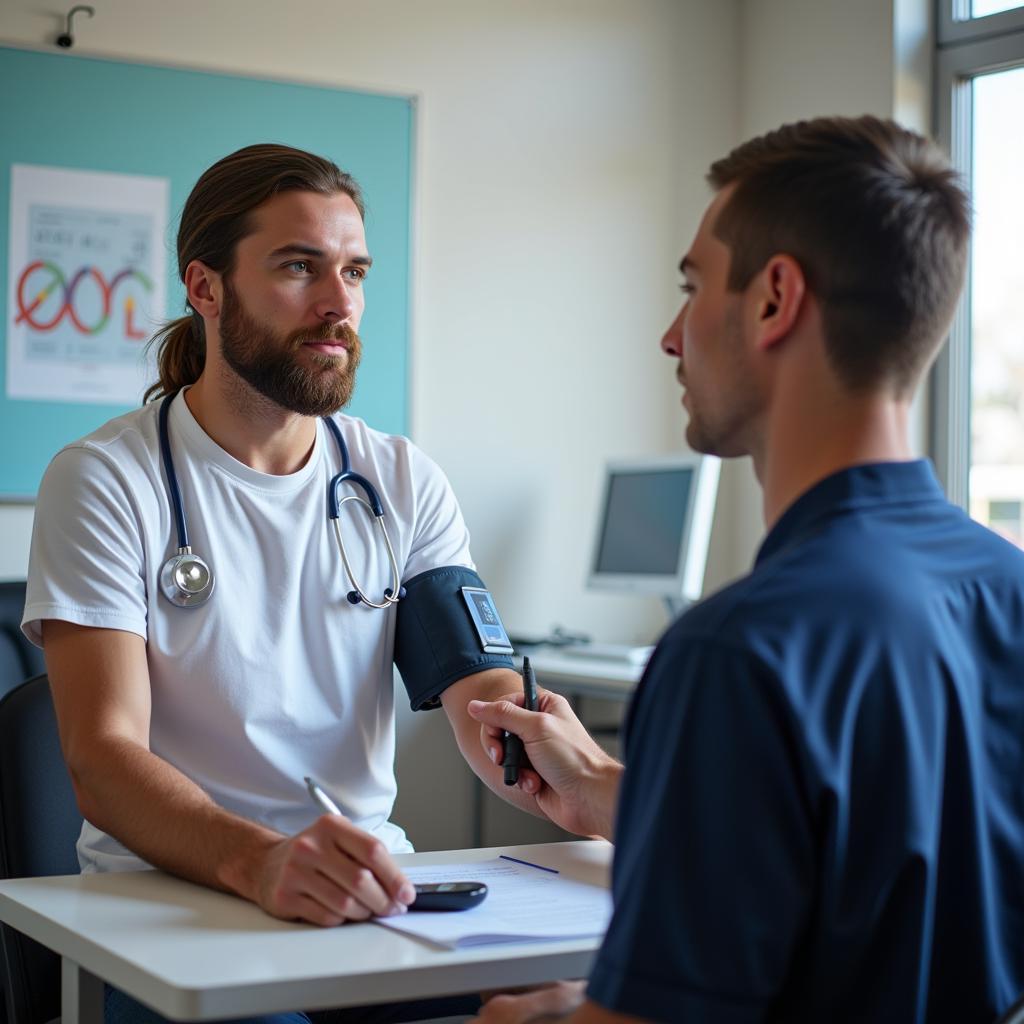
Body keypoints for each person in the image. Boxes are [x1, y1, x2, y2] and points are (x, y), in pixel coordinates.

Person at [466, 115, 1024, 1023]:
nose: (671, 336)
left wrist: (547, 1018)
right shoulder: (1008, 590)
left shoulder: (737, 653)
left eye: (693, 288)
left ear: (774, 300)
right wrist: (609, 791)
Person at [21, 144, 539, 1024]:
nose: (340, 304)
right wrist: (261, 862)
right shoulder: (107, 479)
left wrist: (556, 757)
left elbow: (478, 686)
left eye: (354, 271)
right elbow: (102, 761)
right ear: (206, 287)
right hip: (172, 910)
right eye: (300, 267)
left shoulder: (398, 480)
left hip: (369, 897)